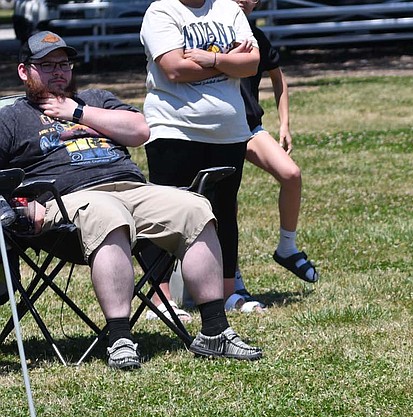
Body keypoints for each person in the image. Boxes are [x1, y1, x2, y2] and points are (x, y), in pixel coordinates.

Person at [0, 31, 263, 370]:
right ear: (25, 71)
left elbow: (139, 130)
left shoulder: (94, 98)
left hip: (132, 190)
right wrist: (19, 205)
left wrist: (78, 112)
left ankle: (215, 330)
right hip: (66, 204)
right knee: (108, 213)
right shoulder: (11, 118)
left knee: (195, 208)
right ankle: (121, 338)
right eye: (47, 66)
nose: (59, 72)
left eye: (64, 64)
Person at [140, 0, 266, 313]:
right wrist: (226, 60)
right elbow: (174, 69)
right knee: (166, 213)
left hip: (229, 132)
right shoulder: (161, 12)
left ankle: (227, 294)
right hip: (174, 129)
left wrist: (208, 57)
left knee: (224, 211)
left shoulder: (229, 9)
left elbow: (251, 63)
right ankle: (162, 298)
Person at [235, 0, 317, 285]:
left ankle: (287, 247)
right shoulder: (214, 34)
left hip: (250, 128)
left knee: (291, 174)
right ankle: (230, 275)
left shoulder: (257, 37)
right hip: (221, 131)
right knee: (225, 203)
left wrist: (285, 124)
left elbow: (278, 80)